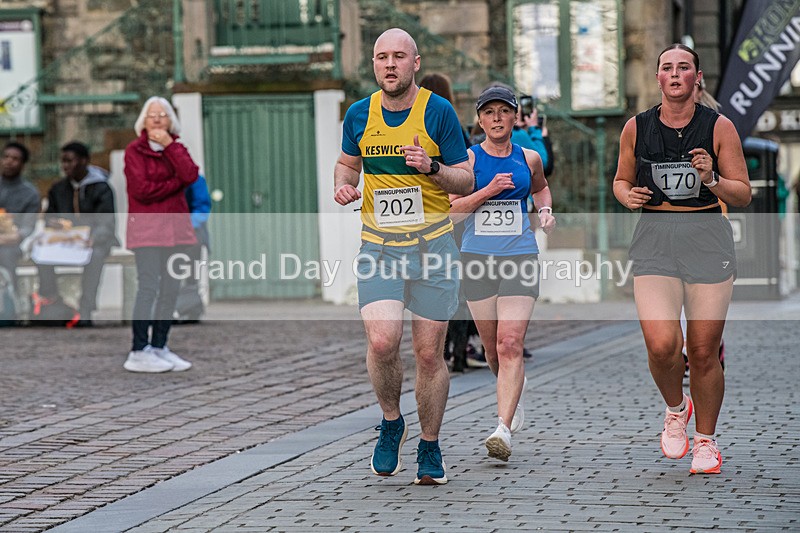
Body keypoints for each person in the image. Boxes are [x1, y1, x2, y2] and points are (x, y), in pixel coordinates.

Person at [333, 28, 473, 485]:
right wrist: (343, 183)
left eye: (398, 56)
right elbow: (347, 162)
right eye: (381, 57)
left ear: (415, 63)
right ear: (374, 65)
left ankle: (430, 446)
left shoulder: (438, 111)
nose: (389, 64)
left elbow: (466, 181)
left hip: (433, 247)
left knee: (429, 354)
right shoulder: (359, 114)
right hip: (379, 247)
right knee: (381, 341)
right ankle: (392, 420)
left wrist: (432, 168)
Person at [613, 44, 750, 475]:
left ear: (697, 77)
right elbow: (620, 179)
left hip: (706, 237)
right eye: (667, 68)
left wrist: (711, 178)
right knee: (661, 345)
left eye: (683, 68)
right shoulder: (635, 128)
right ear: (657, 78)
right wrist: (628, 196)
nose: (674, 74)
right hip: (654, 239)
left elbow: (743, 193)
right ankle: (676, 408)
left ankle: (706, 442)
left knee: (704, 350)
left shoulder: (720, 127)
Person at [449, 86, 555, 461]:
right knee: (495, 349)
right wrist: (488, 190)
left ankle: (502, 429)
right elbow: (453, 210)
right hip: (477, 259)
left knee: (510, 344)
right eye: (488, 112)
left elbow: (541, 190)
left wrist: (544, 211)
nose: (496, 118)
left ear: (514, 117)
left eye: (503, 111)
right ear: (479, 121)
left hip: (520, 257)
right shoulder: (466, 160)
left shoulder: (529, 157)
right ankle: (512, 391)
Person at [123, 96, 199, 373]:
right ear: (143, 120)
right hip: (147, 231)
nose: (156, 119)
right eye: (151, 114)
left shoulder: (176, 148)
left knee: (171, 289)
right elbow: (142, 190)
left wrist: (170, 148)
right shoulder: (134, 151)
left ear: (171, 120)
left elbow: (191, 175)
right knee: (148, 288)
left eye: (162, 114)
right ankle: (138, 349)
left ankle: (159, 346)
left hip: (176, 230)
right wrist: (174, 182)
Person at [418, 71, 476, 373]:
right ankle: (458, 350)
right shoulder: (449, 120)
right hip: (453, 216)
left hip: (422, 218)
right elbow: (466, 168)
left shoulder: (412, 124)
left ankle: (436, 346)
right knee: (458, 287)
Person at [36, 142, 118, 326]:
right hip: (66, 240)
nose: (65, 166)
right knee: (40, 255)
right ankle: (53, 301)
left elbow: (107, 222)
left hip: (94, 241)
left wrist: (93, 238)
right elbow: (50, 216)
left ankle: (86, 307)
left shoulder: (101, 187)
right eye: (63, 161)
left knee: (95, 256)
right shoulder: (58, 188)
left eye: (69, 161)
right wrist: (54, 224)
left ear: (84, 161)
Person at [0, 142, 40, 292]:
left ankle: (10, 305)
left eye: (15, 159)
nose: (9, 161)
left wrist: (6, 238)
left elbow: (27, 229)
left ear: (23, 164)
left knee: (5, 255)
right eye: (6, 157)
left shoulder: (29, 193)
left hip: (12, 246)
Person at [173, 174, 211, 323]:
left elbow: (201, 208)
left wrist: (185, 226)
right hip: (169, 233)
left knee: (189, 274)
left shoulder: (195, 179)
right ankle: (187, 307)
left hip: (191, 234)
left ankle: (190, 308)